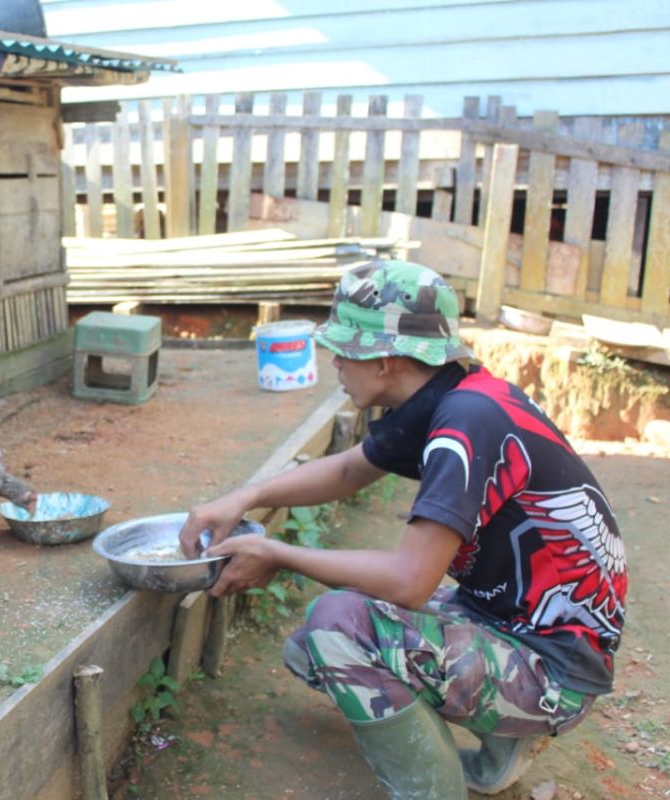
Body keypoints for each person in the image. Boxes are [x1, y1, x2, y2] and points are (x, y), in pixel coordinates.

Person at [180, 260, 626, 798]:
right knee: (311, 648)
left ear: (384, 360)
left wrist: (277, 552)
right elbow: (351, 468)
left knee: (337, 626)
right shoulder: (450, 396)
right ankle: (500, 747)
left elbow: (410, 581)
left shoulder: (462, 428)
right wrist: (247, 496)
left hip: (555, 669)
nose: (336, 362)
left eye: (344, 350)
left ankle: (432, 789)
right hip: (520, 626)